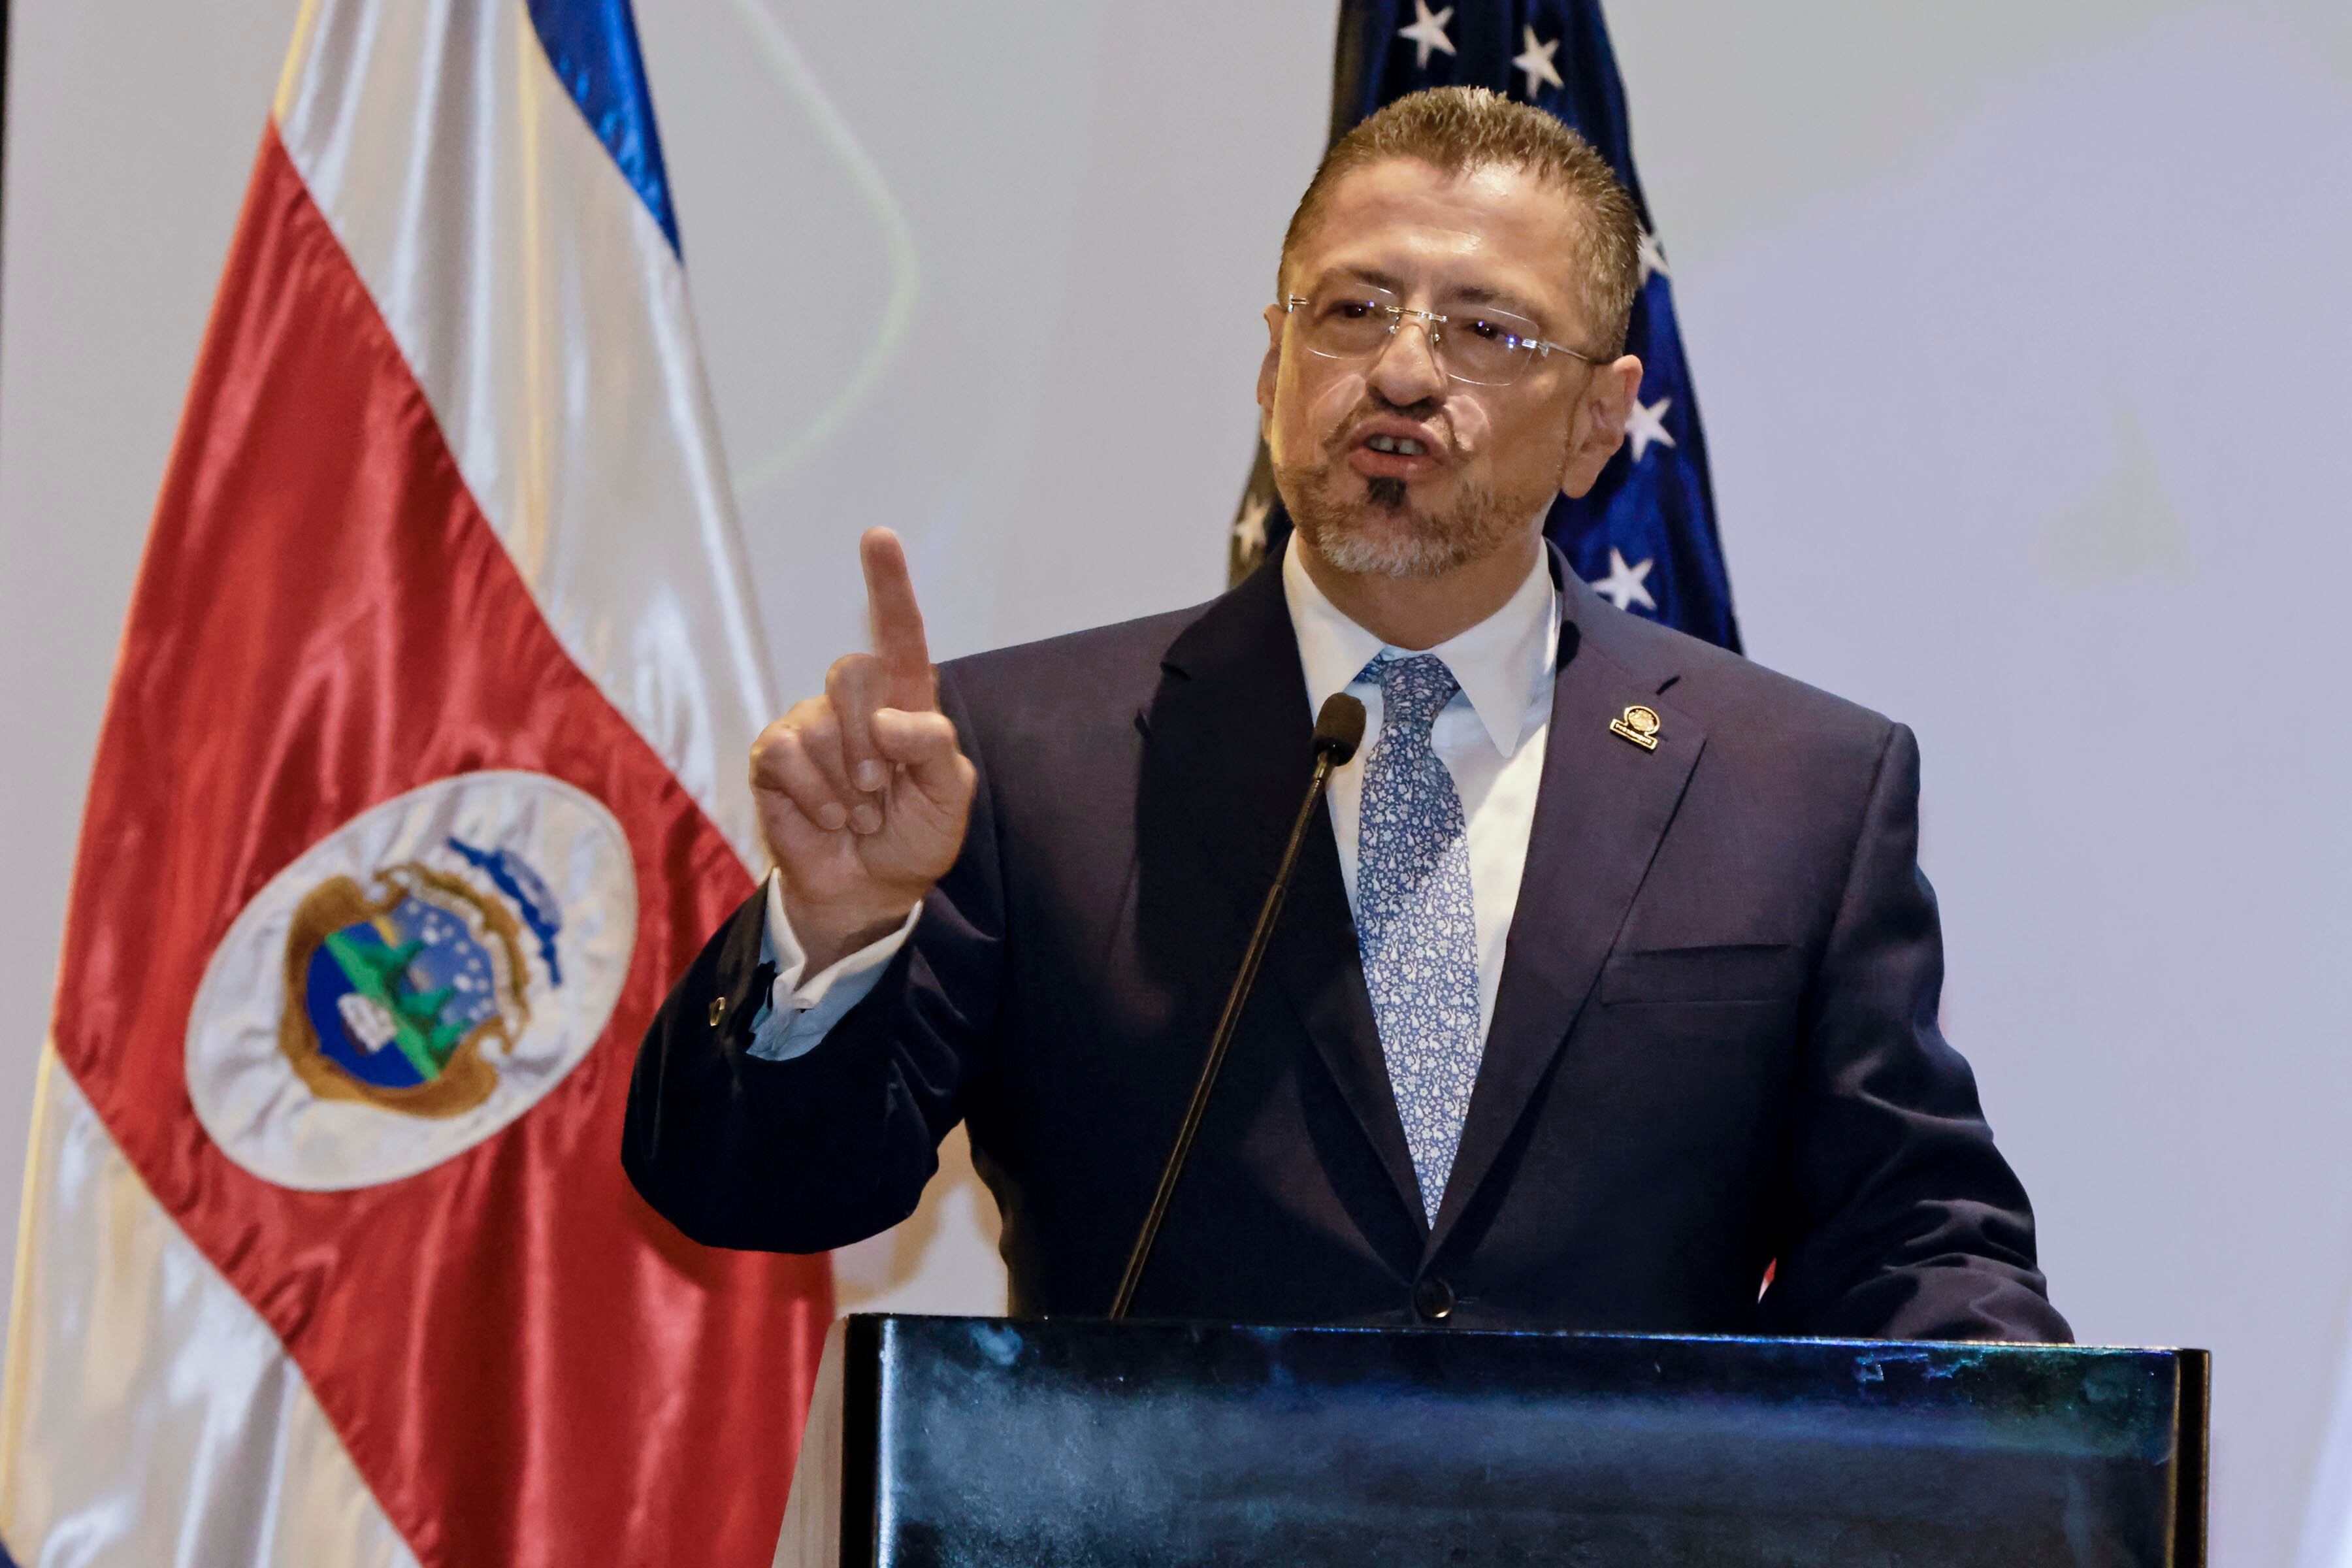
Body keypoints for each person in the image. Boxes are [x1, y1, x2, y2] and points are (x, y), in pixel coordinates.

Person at [623, 87, 2067, 1341]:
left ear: (1599, 419)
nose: (1404, 370)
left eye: (1488, 329)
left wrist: (2039, 1457)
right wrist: (840, 933)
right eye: (1354, 311)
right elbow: (758, 1195)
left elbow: (1917, 1240)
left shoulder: (1795, 787)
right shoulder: (1020, 757)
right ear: (1274, 366)